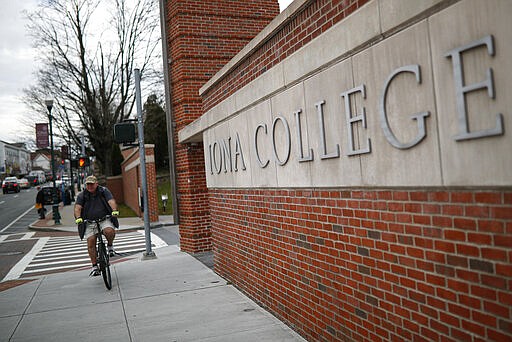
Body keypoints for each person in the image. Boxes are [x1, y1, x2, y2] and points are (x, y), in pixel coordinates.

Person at [74, 175, 120, 276]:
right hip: (90, 222)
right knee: (91, 242)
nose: (89, 186)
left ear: (96, 184)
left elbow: (111, 201)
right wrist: (78, 218)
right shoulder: (82, 195)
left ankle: (110, 246)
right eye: (88, 184)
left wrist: (114, 211)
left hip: (104, 219)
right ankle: (94, 266)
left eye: (91, 184)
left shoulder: (104, 191)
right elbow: (77, 208)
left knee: (109, 231)